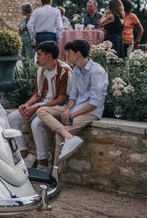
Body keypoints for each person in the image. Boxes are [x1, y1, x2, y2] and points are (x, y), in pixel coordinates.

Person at [37, 39, 108, 171]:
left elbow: (94, 102)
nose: (66, 56)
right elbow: (73, 95)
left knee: (59, 135)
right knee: (41, 111)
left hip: (90, 112)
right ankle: (70, 137)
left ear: (78, 54)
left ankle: (56, 175)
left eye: (69, 53)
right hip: (74, 108)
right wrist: (68, 109)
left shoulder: (96, 71)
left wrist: (72, 114)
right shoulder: (76, 70)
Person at [6, 41, 72, 174]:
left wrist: (36, 108)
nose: (37, 57)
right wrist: (27, 104)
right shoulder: (41, 69)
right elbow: (37, 94)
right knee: (12, 118)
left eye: (39, 54)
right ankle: (25, 156)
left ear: (49, 56)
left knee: (36, 124)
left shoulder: (64, 71)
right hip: (40, 105)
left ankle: (44, 162)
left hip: (56, 107)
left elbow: (61, 98)